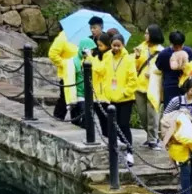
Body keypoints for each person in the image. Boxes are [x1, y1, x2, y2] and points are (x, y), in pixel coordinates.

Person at [161, 76, 192, 194]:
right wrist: (179, 115)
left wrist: (191, 119)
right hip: (178, 141)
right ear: (187, 88)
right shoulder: (177, 101)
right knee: (185, 170)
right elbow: (166, 117)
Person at [99, 32, 138, 166]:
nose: (116, 48)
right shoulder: (106, 56)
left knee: (124, 125)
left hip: (125, 98)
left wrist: (125, 92)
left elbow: (133, 80)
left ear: (123, 45)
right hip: (111, 98)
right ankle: (116, 150)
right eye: (113, 45)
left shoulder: (128, 59)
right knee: (112, 126)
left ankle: (129, 152)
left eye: (118, 46)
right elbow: (102, 73)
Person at [133, 25, 164, 148]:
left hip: (154, 85)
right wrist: (135, 57)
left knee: (153, 114)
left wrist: (153, 73)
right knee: (142, 114)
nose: (145, 35)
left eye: (147, 33)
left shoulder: (161, 51)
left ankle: (153, 139)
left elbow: (163, 68)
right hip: (140, 85)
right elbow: (134, 66)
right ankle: (150, 136)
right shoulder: (140, 48)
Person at [155, 30, 192, 108]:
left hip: (184, 86)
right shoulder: (187, 51)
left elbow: (159, 66)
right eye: (176, 46)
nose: (178, 49)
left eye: (180, 46)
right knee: (173, 111)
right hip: (173, 87)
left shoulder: (164, 53)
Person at [48, 29, 78, 121]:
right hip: (67, 75)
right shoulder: (64, 36)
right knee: (64, 99)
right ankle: (57, 119)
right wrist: (65, 64)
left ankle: (76, 122)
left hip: (80, 75)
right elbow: (53, 54)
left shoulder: (85, 36)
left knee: (78, 101)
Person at [69, 37, 96, 126]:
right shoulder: (75, 61)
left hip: (89, 92)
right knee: (76, 117)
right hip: (79, 92)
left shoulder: (92, 59)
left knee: (86, 118)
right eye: (91, 49)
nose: (92, 52)